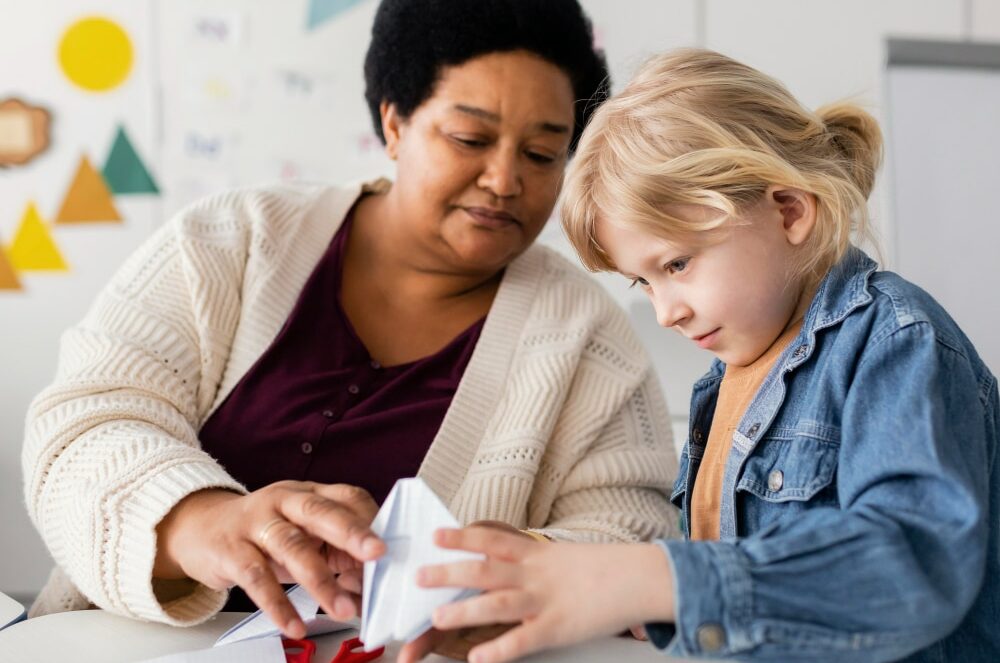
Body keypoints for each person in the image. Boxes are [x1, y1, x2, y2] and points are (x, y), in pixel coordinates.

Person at [22, 0, 680, 641]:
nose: (505, 179)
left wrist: (516, 564)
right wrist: (202, 522)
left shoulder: (589, 339)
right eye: (470, 138)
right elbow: (82, 427)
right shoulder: (229, 242)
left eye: (542, 155)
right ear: (394, 124)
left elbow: (638, 536)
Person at [404, 48, 1000, 663]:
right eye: (644, 282)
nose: (667, 312)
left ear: (789, 211)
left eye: (677, 264)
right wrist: (573, 575)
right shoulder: (725, 383)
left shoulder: (896, 343)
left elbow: (912, 565)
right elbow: (727, 587)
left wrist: (649, 580)